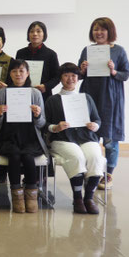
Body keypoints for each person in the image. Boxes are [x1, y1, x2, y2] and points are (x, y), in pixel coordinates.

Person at [45, 63, 105, 214]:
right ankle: (77, 198)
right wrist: (55, 127)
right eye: (66, 75)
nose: (70, 79)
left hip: (86, 136)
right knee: (76, 156)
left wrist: (94, 126)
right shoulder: (53, 100)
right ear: (60, 78)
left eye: (73, 75)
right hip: (62, 138)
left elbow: (97, 120)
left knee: (95, 157)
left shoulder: (86, 98)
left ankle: (89, 198)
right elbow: (44, 124)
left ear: (78, 78)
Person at [78, 17, 129, 190]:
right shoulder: (87, 50)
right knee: (88, 135)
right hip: (90, 96)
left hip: (110, 98)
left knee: (109, 137)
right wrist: (82, 70)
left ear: (110, 31)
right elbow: (78, 75)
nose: (98, 33)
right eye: (95, 29)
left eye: (102, 29)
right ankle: (91, 171)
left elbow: (126, 74)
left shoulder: (119, 51)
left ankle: (108, 174)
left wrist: (114, 71)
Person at [0, 59, 49, 213]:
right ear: (9, 74)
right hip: (8, 136)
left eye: (21, 71)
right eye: (14, 71)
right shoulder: (3, 93)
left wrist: (37, 115)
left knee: (28, 156)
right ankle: (17, 196)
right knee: (15, 156)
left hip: (30, 136)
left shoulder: (35, 93)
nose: (18, 74)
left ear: (28, 73)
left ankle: (31, 195)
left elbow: (42, 123)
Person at [16, 21, 60, 101]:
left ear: (44, 34)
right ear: (28, 34)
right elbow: (15, 72)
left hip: (43, 95)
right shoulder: (20, 53)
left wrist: (46, 86)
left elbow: (57, 77)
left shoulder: (51, 54)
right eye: (32, 31)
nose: (35, 34)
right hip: (23, 93)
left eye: (38, 31)